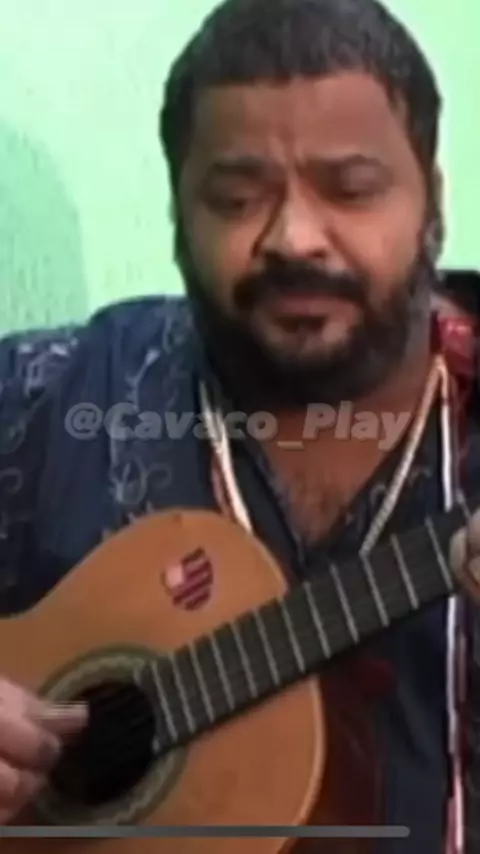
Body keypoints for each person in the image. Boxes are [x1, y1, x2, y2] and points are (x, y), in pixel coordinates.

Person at [0, 0, 480, 849]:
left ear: (432, 200)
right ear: (177, 210)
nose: (294, 237)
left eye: (352, 189)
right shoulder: (52, 396)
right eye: (235, 197)